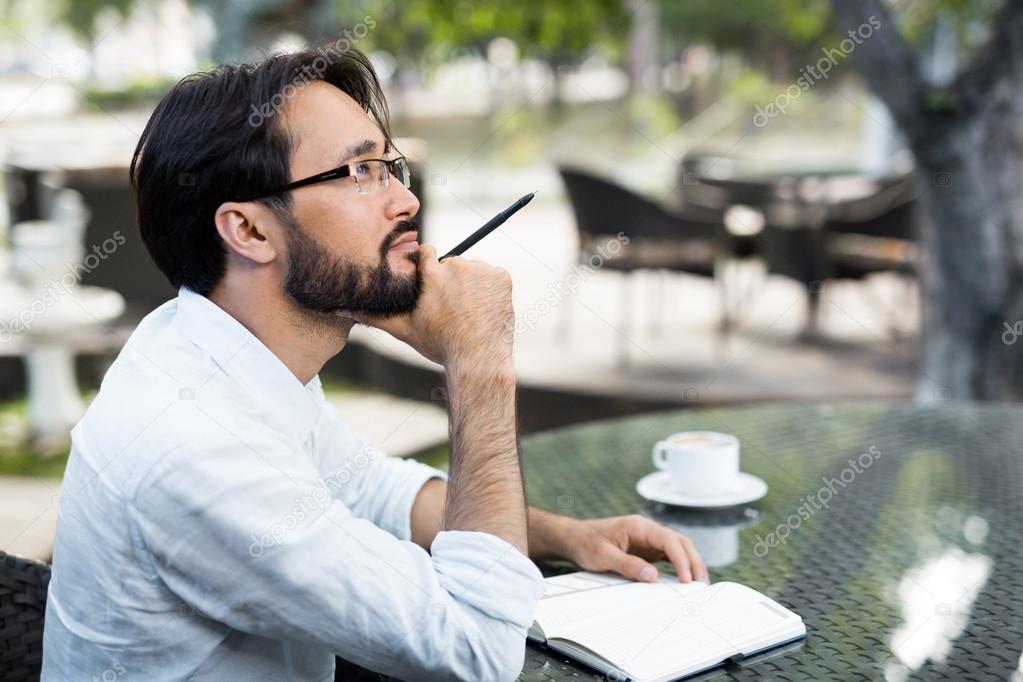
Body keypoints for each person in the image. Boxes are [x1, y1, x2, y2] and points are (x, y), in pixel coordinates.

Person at [42, 46, 707, 681]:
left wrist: (566, 535)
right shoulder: (195, 451)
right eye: (359, 173)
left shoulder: (214, 345)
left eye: (391, 168)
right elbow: (476, 650)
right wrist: (478, 365)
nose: (404, 201)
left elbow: (372, 493)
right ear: (248, 231)